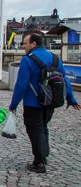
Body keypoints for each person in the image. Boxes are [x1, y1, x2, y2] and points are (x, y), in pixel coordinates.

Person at [8, 33, 80, 173]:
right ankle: (44, 155)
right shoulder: (55, 58)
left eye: (25, 43)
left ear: (33, 43)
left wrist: (14, 104)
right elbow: (64, 80)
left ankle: (39, 162)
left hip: (33, 102)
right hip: (51, 101)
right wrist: (71, 99)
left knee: (35, 130)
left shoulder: (27, 60)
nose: (24, 46)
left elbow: (21, 84)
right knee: (43, 127)